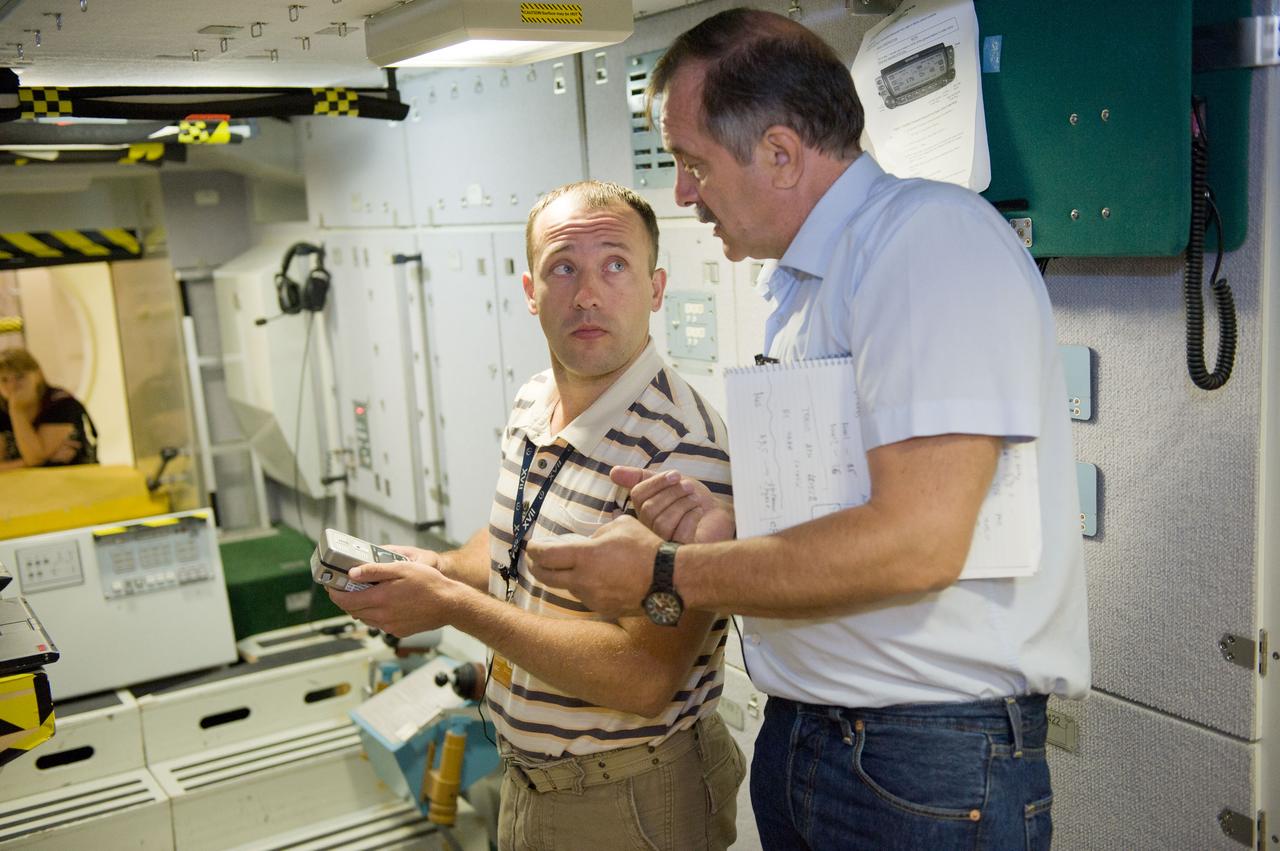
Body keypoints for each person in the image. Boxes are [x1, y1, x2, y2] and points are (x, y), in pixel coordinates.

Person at [526, 9, 1090, 851]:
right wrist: (730, 530)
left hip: (918, 759)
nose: (681, 191)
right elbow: (861, 510)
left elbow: (915, 544)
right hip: (823, 737)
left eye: (694, 164)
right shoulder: (808, 281)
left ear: (782, 152)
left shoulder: (925, 245)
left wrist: (671, 570)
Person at [328, 181, 745, 850]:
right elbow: (512, 547)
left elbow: (643, 675)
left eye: (615, 265)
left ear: (656, 286)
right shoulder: (533, 401)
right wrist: (437, 568)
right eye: (563, 267)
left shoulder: (682, 447)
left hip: (628, 797)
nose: (587, 293)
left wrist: (451, 606)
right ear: (530, 291)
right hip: (529, 783)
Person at [0, 347, 97, 469]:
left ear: (38, 375)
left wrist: (17, 412)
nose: (12, 386)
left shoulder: (61, 404)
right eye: (4, 380)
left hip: (72, 481)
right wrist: (39, 462)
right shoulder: (2, 409)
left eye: (20, 377)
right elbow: (36, 462)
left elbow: (35, 457)